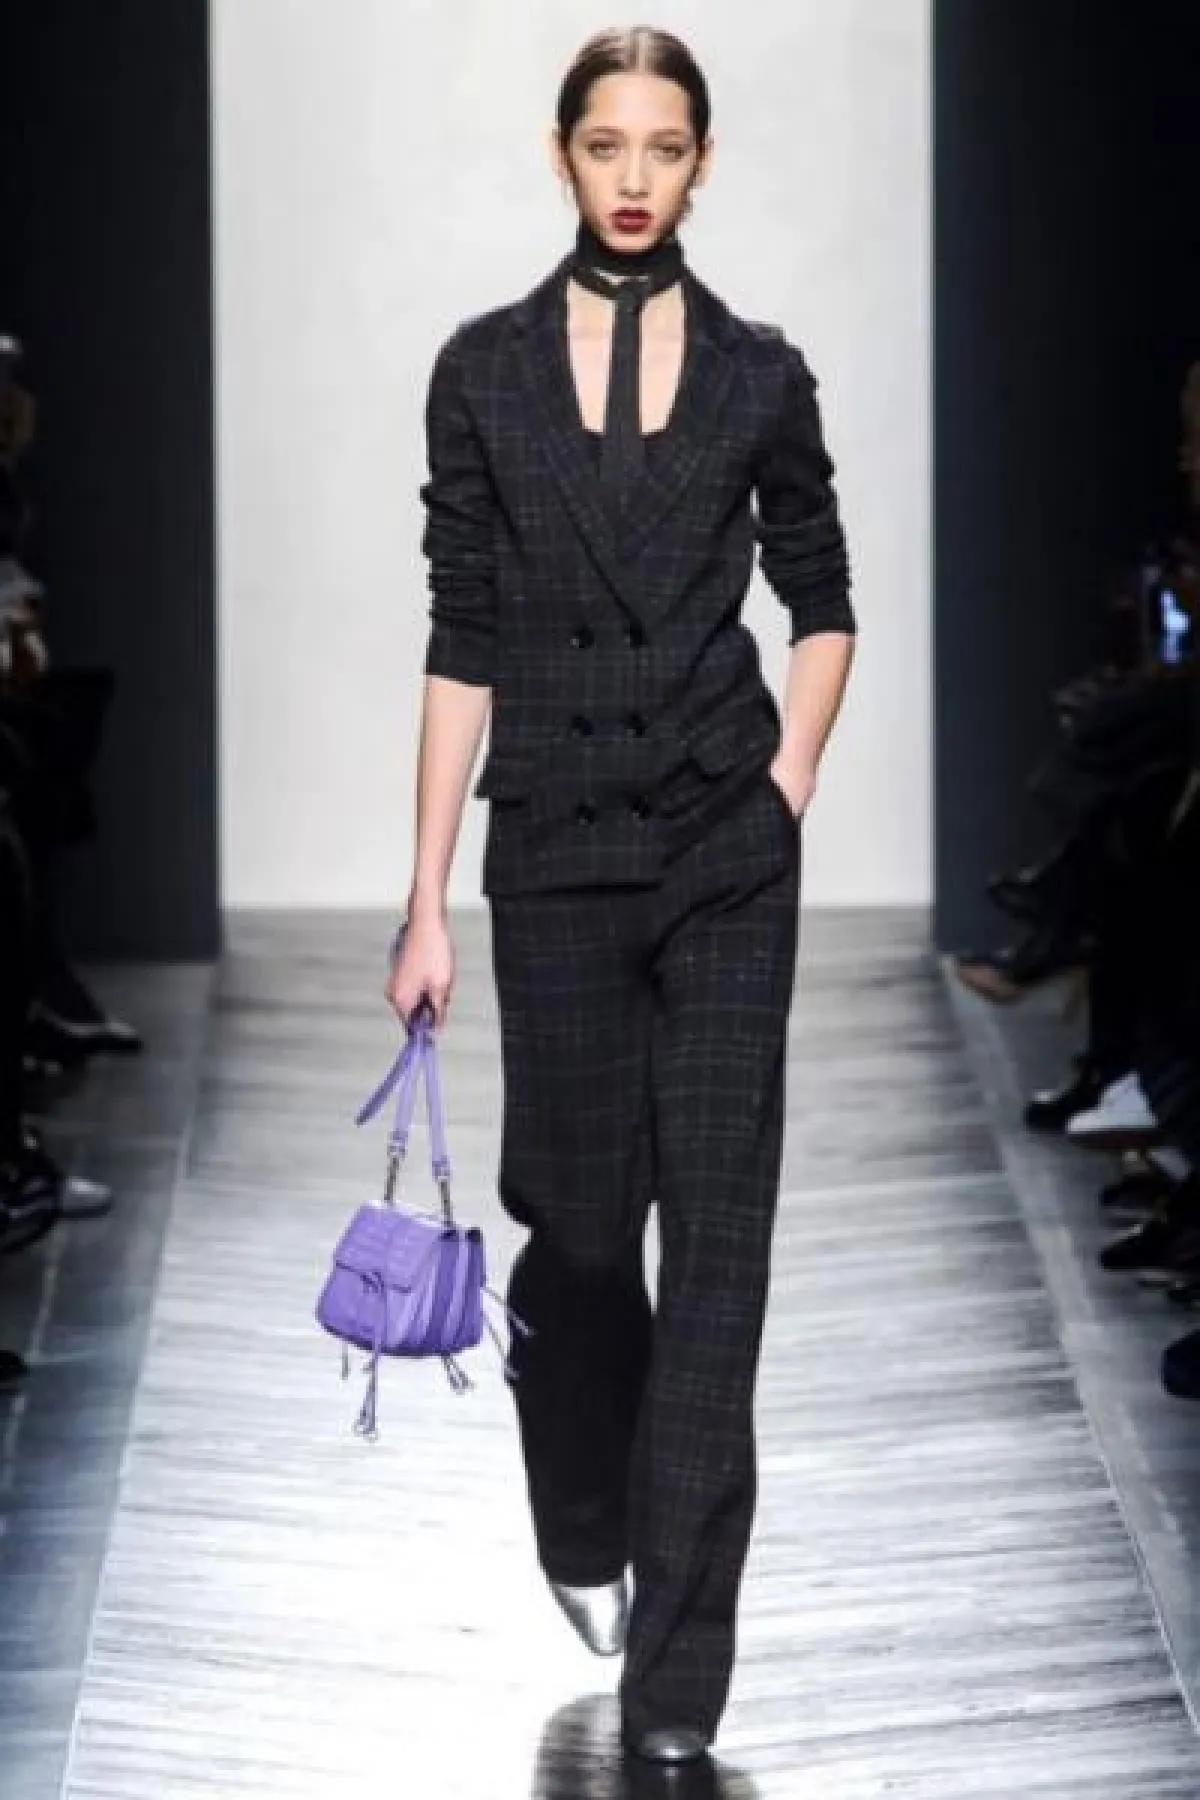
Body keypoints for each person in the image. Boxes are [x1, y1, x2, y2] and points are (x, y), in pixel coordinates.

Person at [386, 25, 856, 1768]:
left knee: (716, 1262)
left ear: (701, 162)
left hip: (725, 856)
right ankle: (581, 1509)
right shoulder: (483, 372)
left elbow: (822, 598)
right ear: (563, 153)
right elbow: (463, 632)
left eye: (665, 146)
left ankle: (678, 1680)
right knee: (581, 1243)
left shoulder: (760, 375)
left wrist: (785, 786)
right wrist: (424, 897)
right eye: (608, 145)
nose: (636, 176)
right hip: (557, 856)